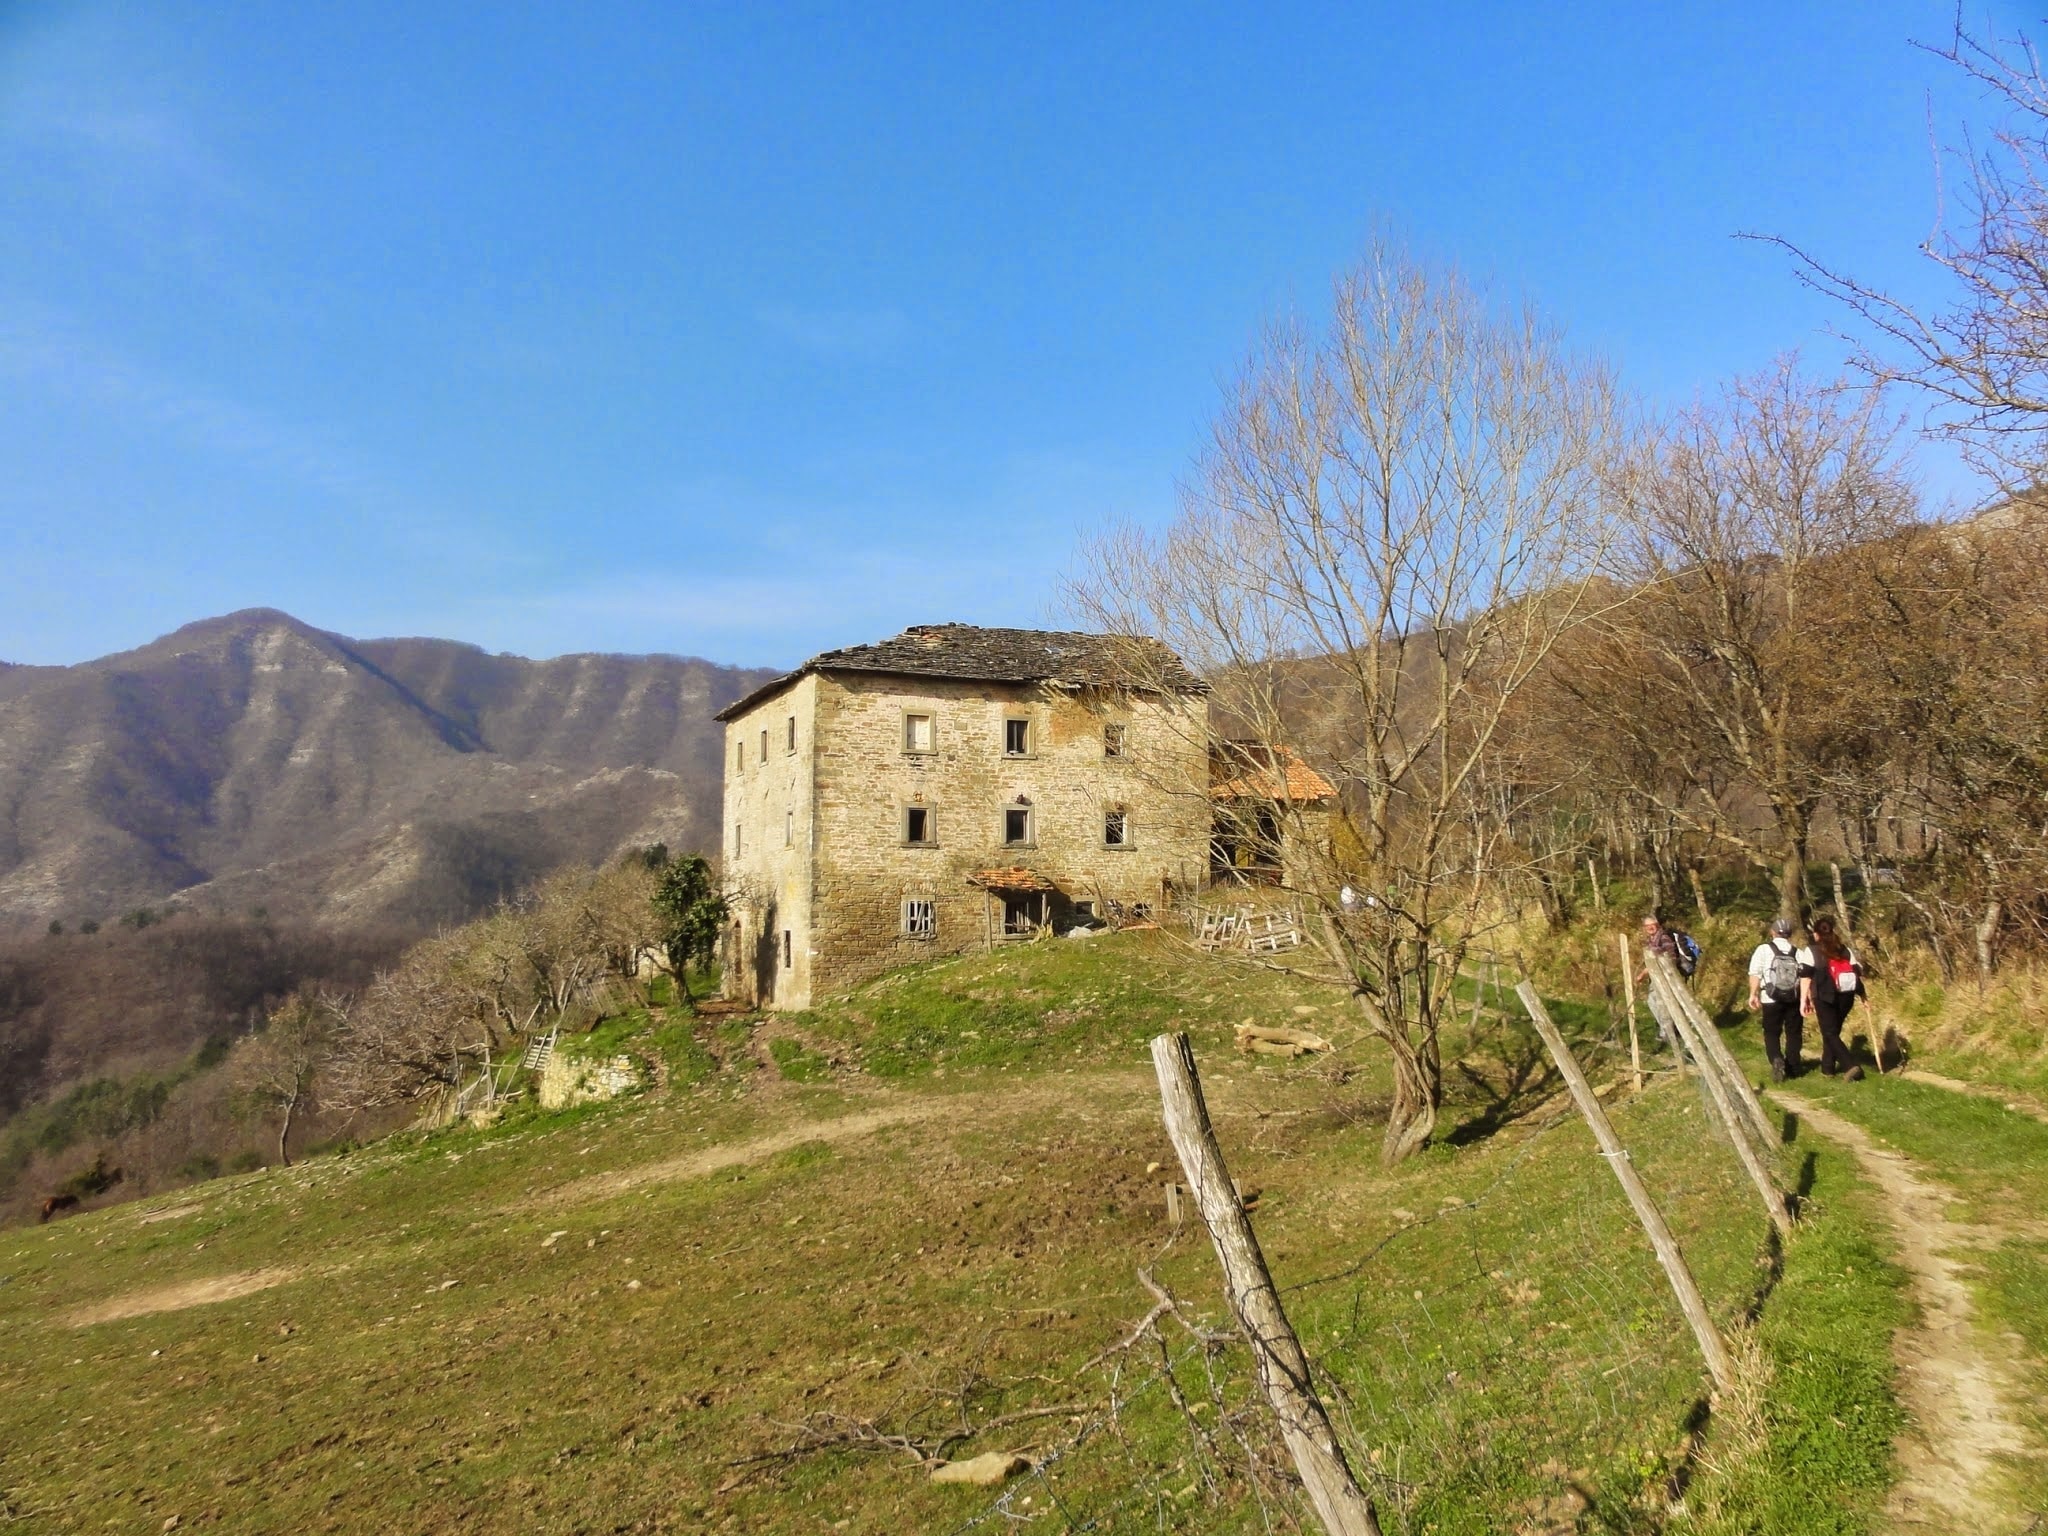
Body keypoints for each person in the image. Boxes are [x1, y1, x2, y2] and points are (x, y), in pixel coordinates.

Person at [1803, 915, 1866, 1080]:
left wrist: (1804, 999)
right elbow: (1856, 973)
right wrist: (1864, 996)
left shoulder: (1812, 951)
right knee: (1832, 1031)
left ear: (1816, 934)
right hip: (1847, 996)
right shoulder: (1845, 950)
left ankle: (1850, 1065)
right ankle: (1828, 1068)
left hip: (1824, 996)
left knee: (1830, 1033)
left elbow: (1806, 976)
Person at [1747, 917, 1806, 1081]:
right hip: (1793, 998)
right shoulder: (1797, 952)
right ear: (1789, 934)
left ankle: (1776, 1059)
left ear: (1773, 932)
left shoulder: (1764, 949)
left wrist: (1753, 994)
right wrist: (1806, 998)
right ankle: (1793, 1066)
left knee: (1772, 1032)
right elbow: (1805, 977)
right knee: (1793, 1032)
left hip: (1770, 997)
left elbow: (1755, 973)